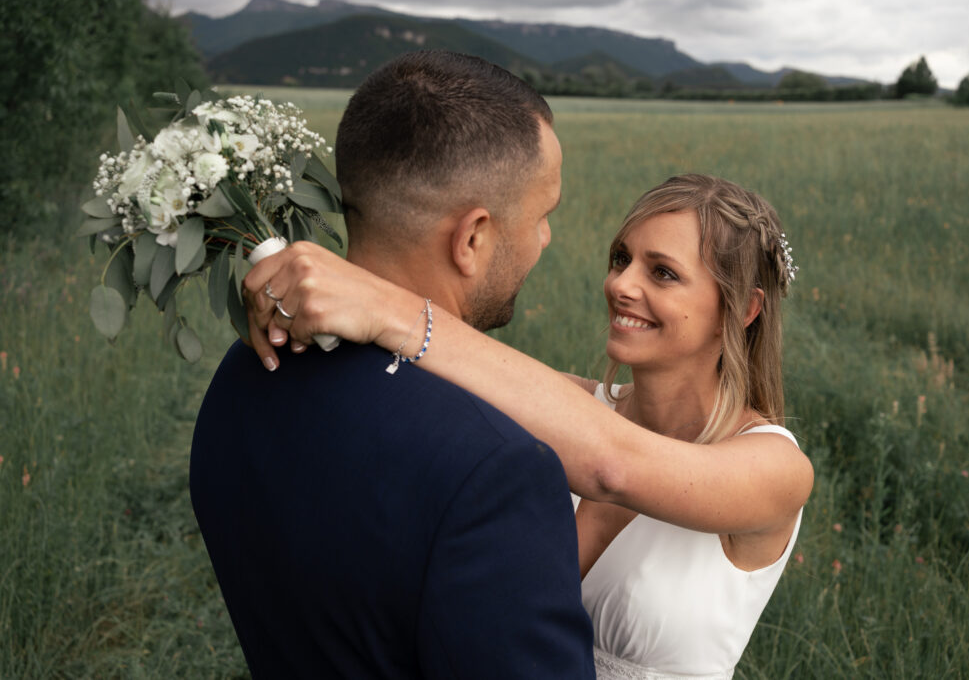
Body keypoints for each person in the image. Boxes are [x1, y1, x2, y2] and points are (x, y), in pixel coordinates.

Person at [245, 173, 814, 679]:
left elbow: (615, 466)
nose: (620, 284)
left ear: (743, 310)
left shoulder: (775, 468)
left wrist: (383, 307)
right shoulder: (567, 408)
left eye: (662, 272)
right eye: (621, 258)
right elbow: (440, 378)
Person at [190, 51, 596, 678]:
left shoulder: (244, 373)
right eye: (543, 216)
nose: (545, 237)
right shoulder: (498, 473)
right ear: (472, 238)